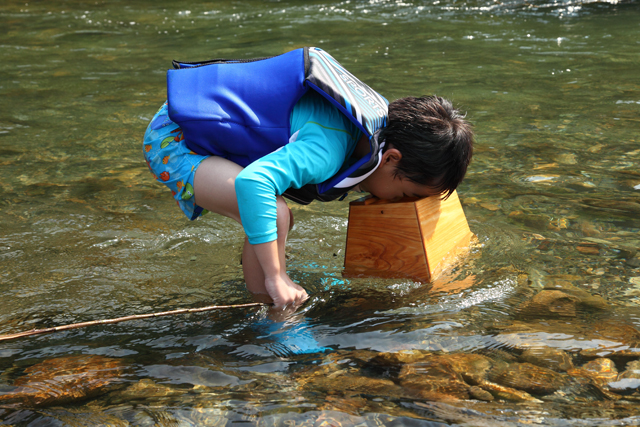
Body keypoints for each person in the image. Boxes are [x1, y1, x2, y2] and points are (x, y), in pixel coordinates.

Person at [143, 48, 474, 309]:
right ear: (391, 159)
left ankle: (266, 301)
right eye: (404, 194)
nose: (398, 203)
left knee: (276, 217)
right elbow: (252, 183)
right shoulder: (326, 149)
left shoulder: (381, 126)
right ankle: (273, 305)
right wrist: (277, 275)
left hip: (191, 121)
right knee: (274, 213)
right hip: (175, 138)